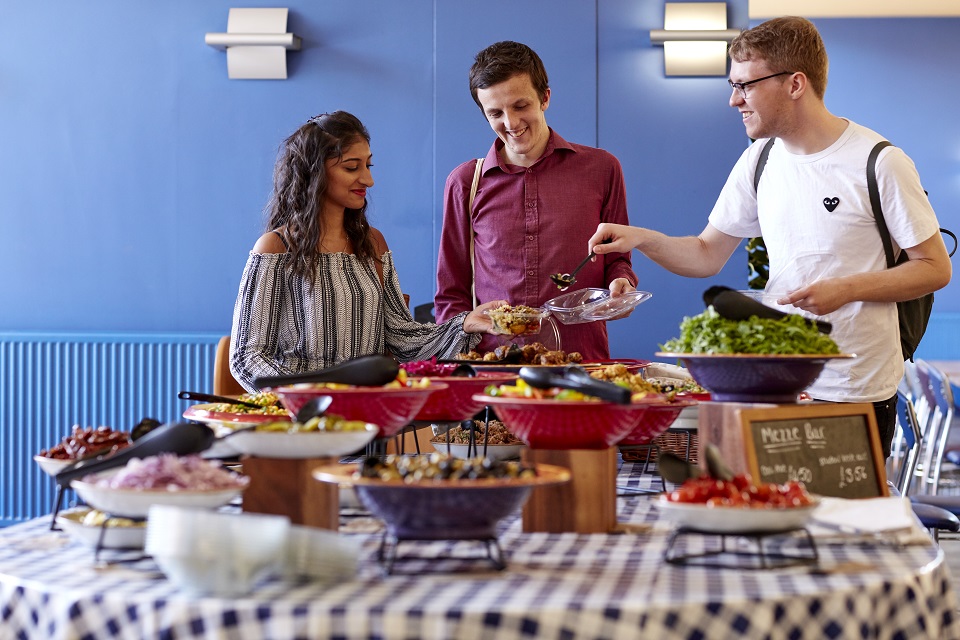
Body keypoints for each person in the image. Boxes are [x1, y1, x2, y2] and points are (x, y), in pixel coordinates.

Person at [587, 16, 951, 458]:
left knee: (842, 525)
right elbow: (705, 255)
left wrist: (845, 290)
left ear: (795, 84)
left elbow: (935, 268)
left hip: (854, 391)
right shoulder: (758, 161)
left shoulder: (881, 162)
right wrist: (641, 238)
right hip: (775, 384)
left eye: (745, 85)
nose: (733, 99)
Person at [230, 111, 507, 392]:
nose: (368, 180)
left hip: (367, 417)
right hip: (300, 423)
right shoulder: (276, 248)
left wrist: (464, 324)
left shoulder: (373, 244)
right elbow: (247, 357)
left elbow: (402, 337)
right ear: (314, 172)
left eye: (368, 165)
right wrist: (308, 394)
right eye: (352, 167)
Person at [434, 40, 638, 362]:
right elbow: (451, 295)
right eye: (495, 113)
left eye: (520, 106)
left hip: (580, 361)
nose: (511, 123)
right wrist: (460, 339)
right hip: (494, 368)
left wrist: (620, 283)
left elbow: (616, 258)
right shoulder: (464, 183)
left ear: (545, 97)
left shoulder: (602, 169)